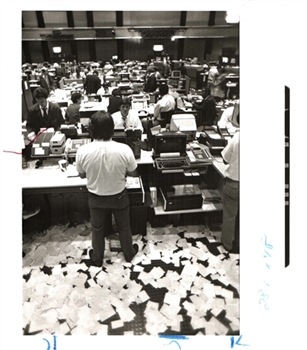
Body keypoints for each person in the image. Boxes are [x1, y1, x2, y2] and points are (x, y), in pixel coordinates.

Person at [75, 111, 139, 267]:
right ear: (112, 128)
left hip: (96, 198)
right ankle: (129, 254)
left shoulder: (82, 151)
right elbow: (133, 172)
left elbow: (82, 175)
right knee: (124, 226)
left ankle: (97, 258)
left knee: (97, 229)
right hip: (118, 196)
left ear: (91, 130)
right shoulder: (124, 149)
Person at [221, 130, 240, 253]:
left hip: (234, 183)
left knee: (229, 215)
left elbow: (225, 159)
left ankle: (228, 245)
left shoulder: (238, 137)